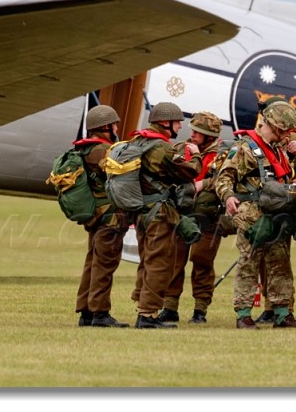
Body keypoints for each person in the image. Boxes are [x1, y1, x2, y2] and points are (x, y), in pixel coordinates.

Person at [216, 100, 296, 329]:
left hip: (278, 214)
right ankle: (244, 315)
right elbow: (224, 177)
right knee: (248, 264)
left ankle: (282, 313)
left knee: (280, 265)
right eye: (286, 130)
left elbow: (284, 177)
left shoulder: (280, 149)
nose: (288, 135)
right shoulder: (244, 148)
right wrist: (228, 196)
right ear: (275, 126)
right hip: (252, 216)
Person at [126, 102, 201, 328]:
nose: (180, 126)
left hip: (140, 212)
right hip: (158, 214)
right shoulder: (161, 147)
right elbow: (189, 172)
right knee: (159, 264)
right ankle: (147, 315)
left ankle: (142, 304)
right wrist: (196, 156)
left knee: (147, 261)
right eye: (177, 122)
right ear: (165, 123)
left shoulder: (138, 141)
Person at [159, 111, 226, 324]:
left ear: (210, 136)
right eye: (193, 130)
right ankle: (169, 307)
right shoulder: (181, 149)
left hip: (209, 217)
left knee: (202, 261)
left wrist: (204, 184)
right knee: (174, 261)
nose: (193, 134)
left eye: (199, 132)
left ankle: (200, 309)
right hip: (182, 215)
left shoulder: (225, 153)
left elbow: (228, 178)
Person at [74, 105, 129, 328]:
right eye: (114, 124)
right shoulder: (102, 151)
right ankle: (100, 313)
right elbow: (121, 172)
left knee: (92, 262)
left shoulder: (86, 148)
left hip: (96, 216)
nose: (116, 128)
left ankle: (86, 311)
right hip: (109, 217)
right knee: (104, 265)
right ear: (105, 126)